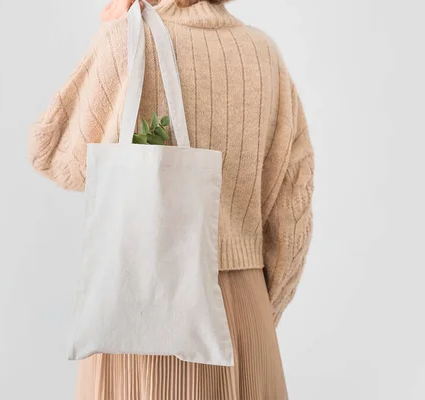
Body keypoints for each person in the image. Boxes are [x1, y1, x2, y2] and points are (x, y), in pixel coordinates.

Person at [28, 0, 314, 398]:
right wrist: (257, 316)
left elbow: (52, 153)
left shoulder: (128, 41)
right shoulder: (263, 53)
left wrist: (108, 34)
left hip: (141, 314)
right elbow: (291, 211)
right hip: (245, 318)